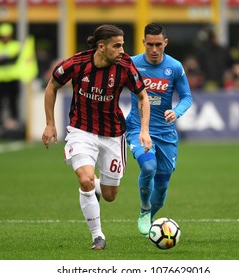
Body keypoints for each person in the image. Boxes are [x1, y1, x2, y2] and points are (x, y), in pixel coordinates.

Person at [42, 24, 152, 250]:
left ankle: (97, 187)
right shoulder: (77, 63)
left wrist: (144, 130)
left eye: (122, 45)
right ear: (101, 47)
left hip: (113, 134)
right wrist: (50, 123)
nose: (122, 50)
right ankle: (97, 235)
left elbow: (142, 97)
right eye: (117, 46)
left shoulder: (125, 66)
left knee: (110, 195)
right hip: (81, 131)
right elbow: (52, 86)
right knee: (85, 179)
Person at [125, 23, 192, 236]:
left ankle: (151, 214)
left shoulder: (175, 67)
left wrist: (177, 112)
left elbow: (187, 97)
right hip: (138, 128)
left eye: (158, 45)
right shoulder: (132, 64)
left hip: (165, 133)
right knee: (148, 167)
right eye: (150, 45)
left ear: (166, 43)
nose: (154, 50)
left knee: (162, 185)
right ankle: (145, 209)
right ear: (144, 43)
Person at [0, 23, 21, 123]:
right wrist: (7, 58)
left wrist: (1, 58)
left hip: (12, 79)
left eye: (7, 36)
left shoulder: (16, 45)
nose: (5, 38)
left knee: (13, 104)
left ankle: (14, 124)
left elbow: (14, 59)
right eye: (3, 36)